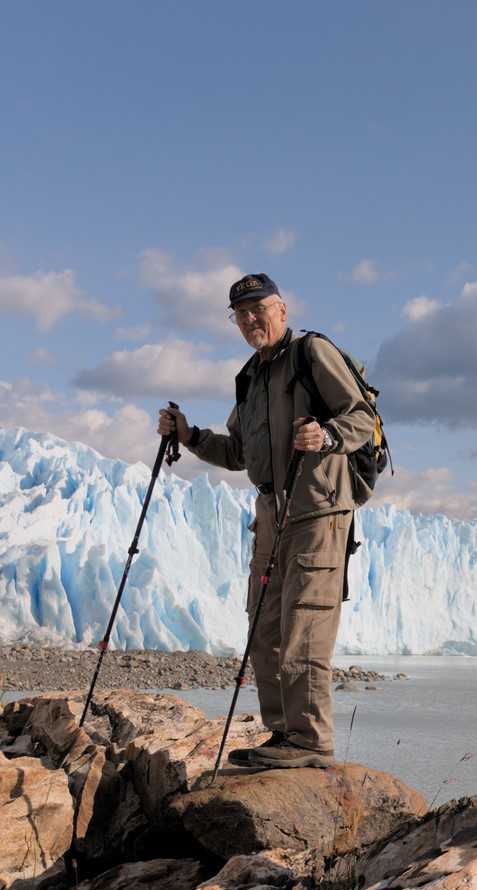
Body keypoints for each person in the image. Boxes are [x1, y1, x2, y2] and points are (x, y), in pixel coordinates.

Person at [158, 273, 374, 769]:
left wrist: (327, 435)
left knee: (305, 629)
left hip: (319, 511)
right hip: (271, 515)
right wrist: (190, 435)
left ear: (281, 308)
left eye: (259, 308)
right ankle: (283, 735)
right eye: (241, 313)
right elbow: (238, 451)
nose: (250, 319)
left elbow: (360, 416)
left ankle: (310, 741)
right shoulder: (250, 378)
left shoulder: (312, 354)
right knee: (265, 629)